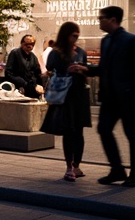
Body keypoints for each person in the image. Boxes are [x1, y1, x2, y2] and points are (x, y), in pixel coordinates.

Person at [87, 5, 135, 187]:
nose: (99, 21)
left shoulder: (132, 40)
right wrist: (87, 69)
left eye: (101, 18)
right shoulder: (106, 41)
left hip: (128, 96)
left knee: (132, 133)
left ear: (113, 19)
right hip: (110, 97)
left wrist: (128, 86)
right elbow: (103, 68)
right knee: (104, 129)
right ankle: (117, 169)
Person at [42, 21, 91, 182]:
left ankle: (76, 164)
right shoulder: (57, 52)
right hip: (66, 95)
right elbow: (50, 67)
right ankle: (69, 166)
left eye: (77, 36)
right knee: (69, 130)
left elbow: (86, 70)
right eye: (73, 36)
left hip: (79, 94)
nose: (75, 39)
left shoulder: (81, 52)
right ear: (66, 35)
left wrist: (81, 69)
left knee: (79, 130)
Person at [5, 34, 45, 98]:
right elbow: (8, 73)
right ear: (22, 43)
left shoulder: (33, 57)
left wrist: (40, 86)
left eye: (32, 44)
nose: (29, 46)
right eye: (27, 44)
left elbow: (37, 73)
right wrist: (23, 83)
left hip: (32, 89)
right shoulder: (15, 53)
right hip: (18, 89)